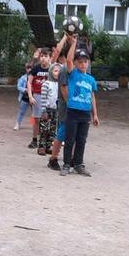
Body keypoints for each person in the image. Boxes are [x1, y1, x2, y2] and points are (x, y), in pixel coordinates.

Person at [60, 47, 100, 176]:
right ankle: (66, 164)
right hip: (73, 111)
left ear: (88, 63)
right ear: (76, 63)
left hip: (85, 113)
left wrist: (95, 114)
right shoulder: (73, 74)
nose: (83, 64)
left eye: (85, 62)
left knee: (81, 140)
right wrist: (73, 43)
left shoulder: (91, 79)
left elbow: (92, 97)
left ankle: (78, 164)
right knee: (69, 139)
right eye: (80, 62)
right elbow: (69, 60)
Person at [47, 34, 76, 171]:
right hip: (66, 105)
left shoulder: (74, 69)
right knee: (63, 131)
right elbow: (64, 89)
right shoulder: (62, 69)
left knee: (73, 133)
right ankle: (53, 158)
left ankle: (71, 158)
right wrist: (70, 104)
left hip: (73, 105)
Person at [27, 48, 52, 148]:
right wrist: (30, 96)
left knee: (48, 120)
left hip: (48, 97)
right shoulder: (36, 68)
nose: (43, 58)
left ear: (50, 58)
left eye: (46, 56)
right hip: (37, 96)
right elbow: (29, 82)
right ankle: (34, 140)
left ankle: (46, 142)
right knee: (36, 119)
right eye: (42, 56)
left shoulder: (52, 69)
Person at [38, 63, 61, 156]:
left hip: (56, 110)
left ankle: (48, 146)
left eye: (59, 71)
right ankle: (41, 147)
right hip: (47, 110)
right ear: (51, 72)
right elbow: (43, 98)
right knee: (44, 129)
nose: (57, 73)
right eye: (55, 71)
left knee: (52, 130)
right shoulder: (46, 84)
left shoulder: (60, 84)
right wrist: (43, 111)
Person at [14, 61, 32, 130]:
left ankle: (34, 125)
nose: (29, 69)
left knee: (35, 113)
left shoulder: (35, 77)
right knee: (21, 111)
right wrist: (25, 90)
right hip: (25, 97)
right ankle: (18, 124)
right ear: (26, 69)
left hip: (33, 97)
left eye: (31, 68)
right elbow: (19, 86)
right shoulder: (23, 78)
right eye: (28, 68)